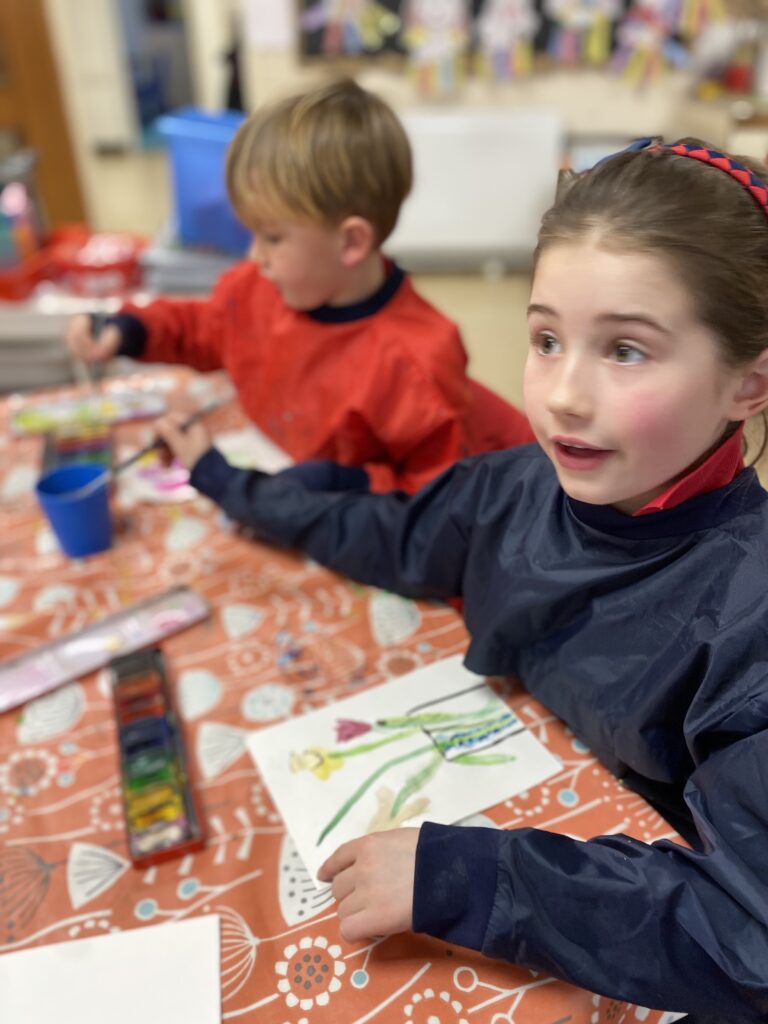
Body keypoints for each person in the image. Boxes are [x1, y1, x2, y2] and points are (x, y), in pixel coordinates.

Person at [155, 137, 768, 1022]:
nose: (562, 394)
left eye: (626, 351)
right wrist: (230, 485)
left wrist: (473, 875)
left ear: (748, 382)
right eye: (547, 339)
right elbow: (394, 532)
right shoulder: (515, 489)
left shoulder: (747, 614)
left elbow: (746, 928)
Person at [65, 77, 532, 494]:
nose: (254, 256)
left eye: (272, 237)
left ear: (351, 241)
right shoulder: (257, 287)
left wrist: (345, 483)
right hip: (277, 466)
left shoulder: (413, 361)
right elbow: (203, 327)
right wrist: (129, 328)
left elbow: (438, 499)